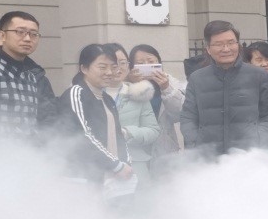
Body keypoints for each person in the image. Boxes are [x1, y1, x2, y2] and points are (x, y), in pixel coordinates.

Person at [180, 20, 268, 156]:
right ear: (208, 49)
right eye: (218, 44)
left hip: (249, 157)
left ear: (238, 45)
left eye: (231, 43)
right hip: (208, 157)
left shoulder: (258, 75)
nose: (226, 49)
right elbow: (188, 117)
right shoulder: (197, 79)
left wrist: (259, 142)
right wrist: (195, 144)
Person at [55, 44, 134, 186]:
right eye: (102, 67)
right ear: (84, 68)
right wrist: (116, 165)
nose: (109, 72)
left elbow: (118, 135)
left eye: (113, 67)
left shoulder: (107, 99)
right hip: (84, 177)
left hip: (111, 177)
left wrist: (126, 163)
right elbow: (82, 136)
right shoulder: (76, 93)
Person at [0, 11, 55, 139]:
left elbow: (31, 124)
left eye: (34, 34)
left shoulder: (30, 76)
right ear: (2, 35)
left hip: (25, 150)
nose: (27, 38)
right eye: (20, 32)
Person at [101, 44, 160, 183]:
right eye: (113, 63)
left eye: (123, 63)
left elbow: (153, 131)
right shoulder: (90, 95)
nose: (119, 67)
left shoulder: (140, 92)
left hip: (135, 165)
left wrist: (129, 133)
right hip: (100, 166)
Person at [129, 44, 187, 160]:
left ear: (159, 62)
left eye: (151, 61)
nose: (146, 65)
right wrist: (132, 86)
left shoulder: (170, 82)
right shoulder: (126, 85)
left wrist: (166, 88)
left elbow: (179, 114)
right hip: (136, 147)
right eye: (140, 63)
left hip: (164, 147)